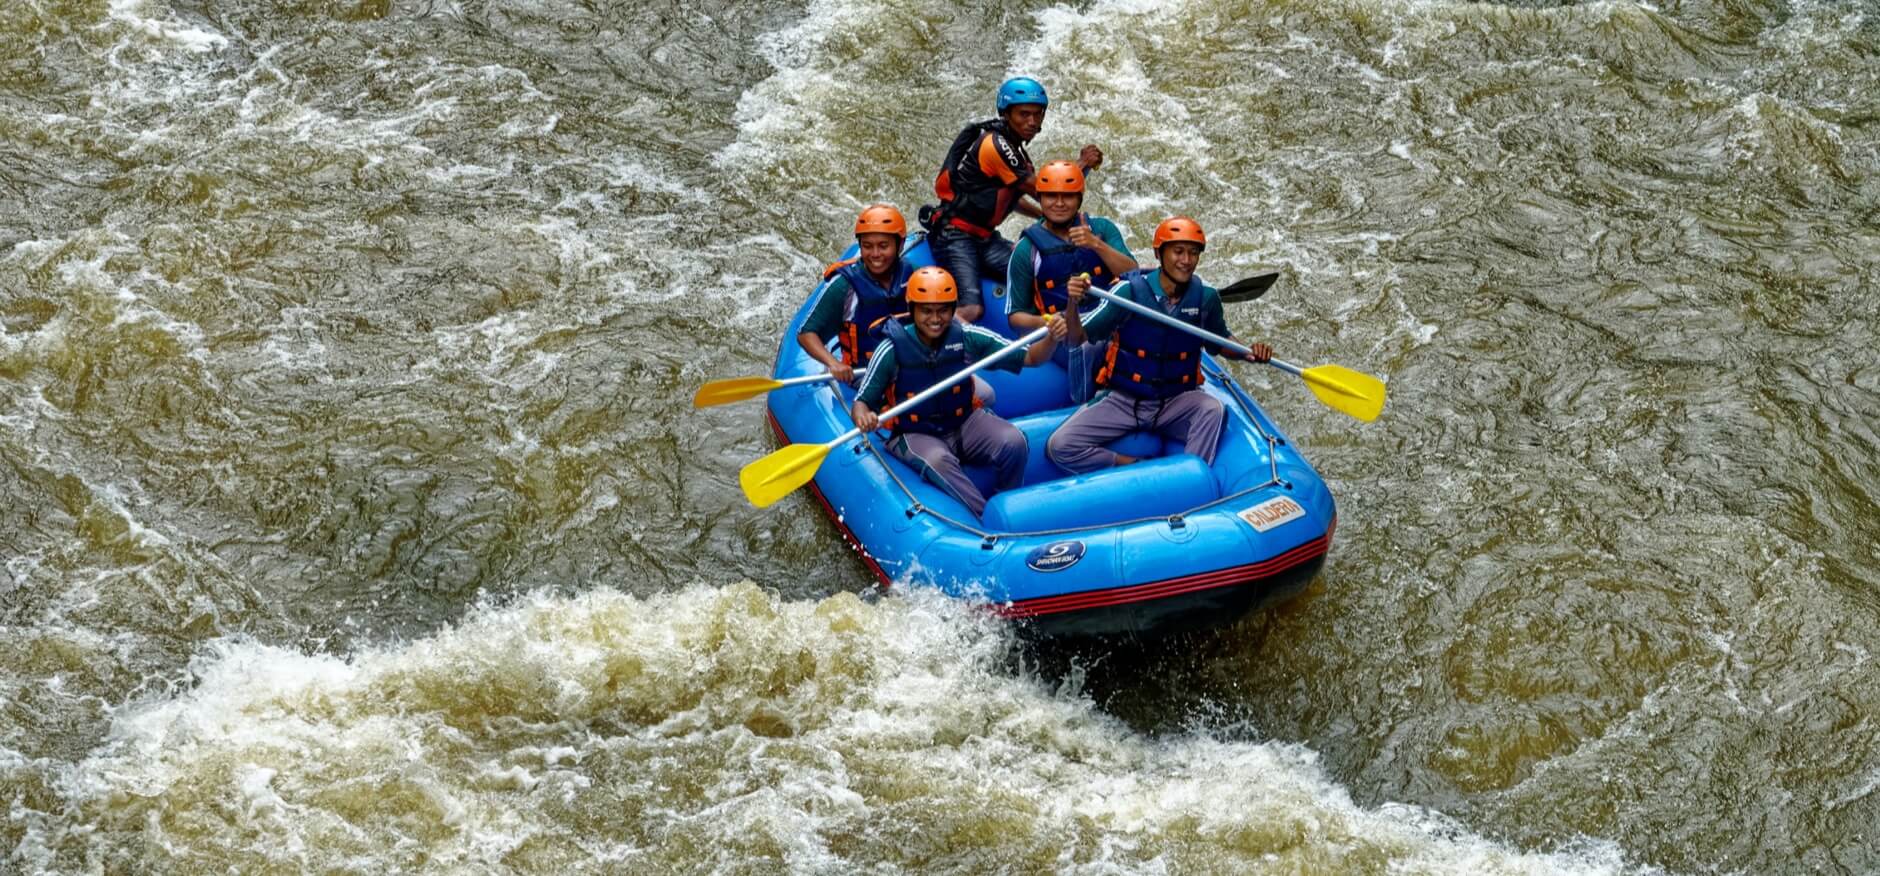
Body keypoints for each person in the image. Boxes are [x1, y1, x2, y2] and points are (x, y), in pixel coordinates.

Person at [1046, 216, 1274, 474]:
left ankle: (1188, 478)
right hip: (1125, 400)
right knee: (1060, 444)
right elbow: (1077, 338)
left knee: (1213, 409)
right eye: (1178, 252)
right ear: (1159, 253)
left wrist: (1248, 353)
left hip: (1175, 401)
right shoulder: (1128, 292)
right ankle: (1131, 465)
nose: (1186, 261)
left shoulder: (1205, 298)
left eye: (1193, 253)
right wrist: (1073, 303)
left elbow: (1221, 342)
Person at [851, 266, 1068, 517]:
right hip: (914, 432)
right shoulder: (890, 349)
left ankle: (1006, 503)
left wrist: (1052, 338)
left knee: (1014, 441)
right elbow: (861, 402)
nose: (935, 319)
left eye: (943, 310)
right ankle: (984, 517)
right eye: (926, 311)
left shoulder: (966, 336)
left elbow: (1031, 357)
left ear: (953, 308)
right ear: (912, 308)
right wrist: (863, 417)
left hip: (963, 421)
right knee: (938, 461)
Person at [921, 76, 1102, 324]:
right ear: (1006, 113)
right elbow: (1044, 189)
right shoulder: (995, 144)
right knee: (972, 310)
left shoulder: (1015, 150)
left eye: (1038, 115)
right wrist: (1082, 164)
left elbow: (1012, 198)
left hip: (984, 239)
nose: (1032, 122)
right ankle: (927, 347)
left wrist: (1042, 215)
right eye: (1024, 114)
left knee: (1035, 271)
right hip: (955, 237)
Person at [1004, 159, 1139, 402]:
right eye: (1051, 197)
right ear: (1041, 199)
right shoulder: (1027, 250)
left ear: (1079, 199)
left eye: (1067, 197)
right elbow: (1015, 317)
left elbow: (1132, 273)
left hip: (1109, 322)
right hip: (1064, 335)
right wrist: (1048, 323)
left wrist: (1095, 245)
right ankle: (1085, 403)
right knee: (1085, 343)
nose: (1058, 204)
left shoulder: (1101, 229)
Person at [796, 204, 916, 384]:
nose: (875, 254)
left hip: (909, 364)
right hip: (864, 373)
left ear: (900, 245)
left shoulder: (912, 274)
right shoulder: (845, 286)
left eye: (883, 246)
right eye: (867, 246)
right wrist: (833, 363)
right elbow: (806, 333)